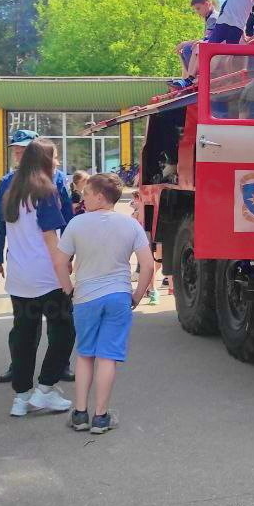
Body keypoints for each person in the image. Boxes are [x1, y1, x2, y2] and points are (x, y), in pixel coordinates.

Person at [59, 173, 154, 434]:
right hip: (118, 296)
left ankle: (79, 414)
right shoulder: (130, 225)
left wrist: (69, 290)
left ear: (100, 196)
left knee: (85, 355)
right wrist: (137, 295)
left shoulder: (77, 224)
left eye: (86, 194)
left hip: (86, 297)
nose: (83, 198)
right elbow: (147, 265)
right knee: (108, 357)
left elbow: (59, 262)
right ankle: (101, 417)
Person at [0, 139, 76, 417]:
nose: (58, 163)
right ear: (46, 160)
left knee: (24, 337)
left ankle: (21, 396)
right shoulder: (46, 191)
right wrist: (66, 280)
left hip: (19, 279)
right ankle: (46, 389)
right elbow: (51, 241)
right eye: (55, 158)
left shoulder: (11, 190)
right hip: (47, 278)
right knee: (64, 332)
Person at [172, 0, 218, 88]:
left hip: (217, 49)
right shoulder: (209, 18)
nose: (197, 12)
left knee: (188, 48)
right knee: (186, 49)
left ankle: (191, 78)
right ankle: (188, 78)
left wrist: (184, 43)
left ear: (207, 4)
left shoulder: (213, 18)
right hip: (213, 46)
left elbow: (208, 39)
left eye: (198, 8)